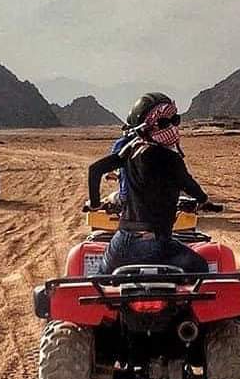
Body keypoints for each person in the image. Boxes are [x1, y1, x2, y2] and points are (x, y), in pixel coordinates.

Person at [87, 93, 219, 274]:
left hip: (122, 244)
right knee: (200, 268)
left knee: (102, 277)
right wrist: (204, 200)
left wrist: (95, 204)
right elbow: (190, 186)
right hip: (157, 245)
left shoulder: (128, 152)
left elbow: (94, 170)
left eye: (175, 120)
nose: (172, 127)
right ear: (146, 127)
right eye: (164, 123)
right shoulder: (172, 159)